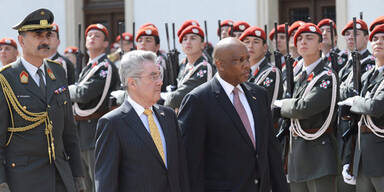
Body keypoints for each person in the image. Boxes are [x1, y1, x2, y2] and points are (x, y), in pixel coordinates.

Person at [178, 37, 289, 192]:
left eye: (247, 59)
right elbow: (191, 162)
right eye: (239, 60)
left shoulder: (258, 95)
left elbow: (271, 150)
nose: (247, 66)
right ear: (220, 64)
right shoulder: (199, 100)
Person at [0, 8, 85, 192]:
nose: (45, 40)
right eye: (38, 35)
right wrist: (1, 182)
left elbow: (69, 131)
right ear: (21, 40)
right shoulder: (6, 79)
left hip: (61, 176)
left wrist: (78, 174)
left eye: (48, 35)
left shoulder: (58, 71)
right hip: (24, 179)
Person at [95, 50, 190, 192]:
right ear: (132, 83)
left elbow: (181, 170)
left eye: (159, 75)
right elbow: (106, 183)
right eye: (153, 77)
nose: (160, 82)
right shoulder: (112, 124)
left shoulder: (168, 116)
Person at [274, 23, 338, 192]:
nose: (303, 42)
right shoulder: (294, 75)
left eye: (309, 38)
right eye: (299, 38)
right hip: (295, 156)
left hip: (319, 157)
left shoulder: (326, 76)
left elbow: (304, 108)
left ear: (320, 45)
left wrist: (281, 105)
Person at [68, 23, 120, 192]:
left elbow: (84, 94)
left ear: (106, 44)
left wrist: (65, 89)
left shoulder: (105, 67)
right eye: (89, 35)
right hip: (81, 131)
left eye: (97, 36)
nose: (91, 38)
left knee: (98, 181)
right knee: (85, 184)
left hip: (95, 129)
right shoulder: (88, 67)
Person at [338, 23, 384, 192]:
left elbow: (376, 106)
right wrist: (348, 160)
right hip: (362, 157)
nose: (378, 42)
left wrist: (355, 101)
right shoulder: (367, 76)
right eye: (375, 39)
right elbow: (354, 123)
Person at [164, 25, 214, 110]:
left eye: (193, 38)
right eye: (185, 39)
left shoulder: (203, 67)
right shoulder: (184, 65)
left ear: (202, 45)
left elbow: (178, 98)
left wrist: (166, 100)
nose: (188, 42)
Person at [240, 26, 283, 106]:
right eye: (247, 42)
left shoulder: (271, 72)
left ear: (265, 47)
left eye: (256, 42)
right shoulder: (239, 71)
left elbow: (269, 106)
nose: (250, 46)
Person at [136, 24, 170, 92]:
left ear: (157, 46)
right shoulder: (135, 62)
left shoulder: (158, 62)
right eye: (140, 40)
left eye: (148, 40)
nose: (143, 43)